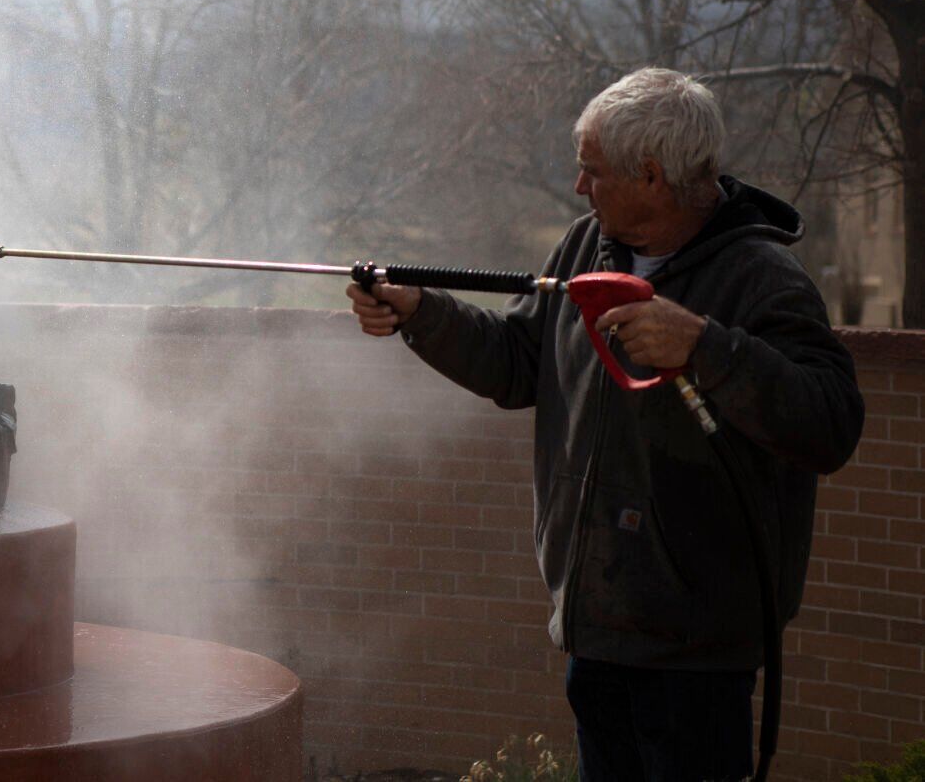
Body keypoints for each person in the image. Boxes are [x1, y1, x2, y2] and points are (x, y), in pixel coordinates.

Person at [347, 68, 862, 781]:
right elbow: (518, 362)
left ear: (649, 174)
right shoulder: (585, 247)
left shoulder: (760, 277)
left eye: (592, 170)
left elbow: (830, 423)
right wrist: (421, 312)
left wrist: (705, 346)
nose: (580, 186)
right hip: (597, 626)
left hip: (693, 651)